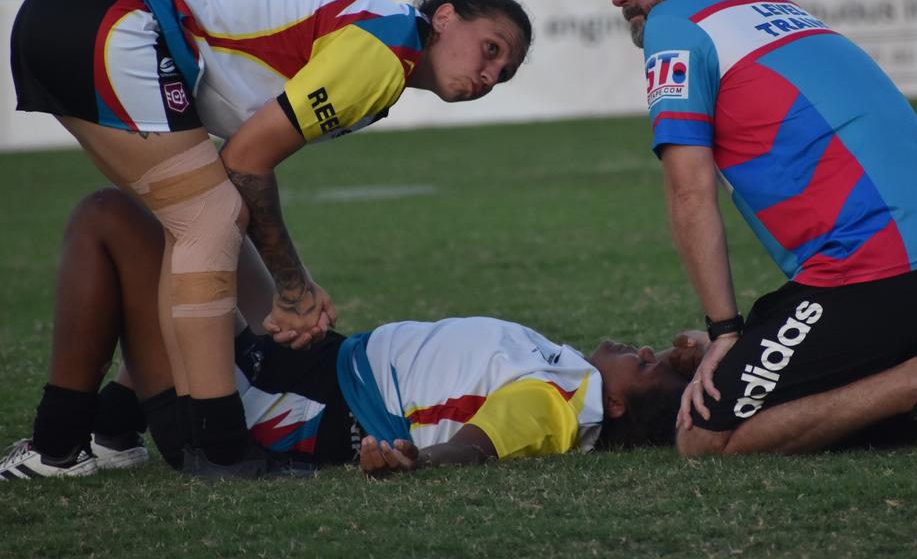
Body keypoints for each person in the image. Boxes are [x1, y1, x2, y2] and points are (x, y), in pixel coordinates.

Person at [9, 0, 532, 476]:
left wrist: (293, 285)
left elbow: (236, 166)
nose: (490, 75)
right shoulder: (384, 54)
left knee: (201, 221)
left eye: (504, 72)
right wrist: (293, 286)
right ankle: (219, 451)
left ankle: (93, 431)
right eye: (490, 49)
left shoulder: (378, 33)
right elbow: (246, 160)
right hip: (110, 14)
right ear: (444, 17)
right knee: (209, 220)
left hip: (84, 4)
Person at [607, 0, 917, 456]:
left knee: (703, 439)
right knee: (805, 394)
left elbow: (689, 190)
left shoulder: (676, 21)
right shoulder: (773, 6)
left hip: (875, 276)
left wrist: (725, 332)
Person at [0, 190, 692, 481]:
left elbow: (476, 447)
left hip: (288, 407)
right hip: (318, 363)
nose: (649, 350)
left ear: (622, 407)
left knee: (112, 216)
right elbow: (706, 364)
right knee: (214, 202)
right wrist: (701, 351)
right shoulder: (573, 372)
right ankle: (114, 438)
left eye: (653, 368)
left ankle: (59, 447)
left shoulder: (559, 400)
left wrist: (413, 463)